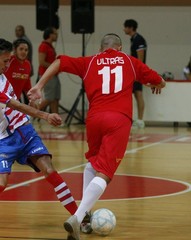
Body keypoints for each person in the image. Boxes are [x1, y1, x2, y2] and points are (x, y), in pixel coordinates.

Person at [27, 33, 166, 240]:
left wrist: (39, 86)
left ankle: (84, 220)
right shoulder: (130, 60)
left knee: (93, 163)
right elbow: (160, 81)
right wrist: (157, 84)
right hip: (118, 119)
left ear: (101, 49)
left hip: (94, 119)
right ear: (119, 48)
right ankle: (78, 216)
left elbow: (58, 62)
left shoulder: (90, 62)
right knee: (106, 173)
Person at [0, 38, 78, 218]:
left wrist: (33, 100)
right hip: (4, 140)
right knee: (2, 183)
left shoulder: (5, 73)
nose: (8, 64)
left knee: (49, 170)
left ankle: (79, 218)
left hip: (24, 131)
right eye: (5, 61)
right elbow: (15, 105)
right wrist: (46, 115)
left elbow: (21, 103)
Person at [123, 19, 147, 128]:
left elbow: (140, 58)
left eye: (125, 27)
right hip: (134, 71)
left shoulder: (138, 39)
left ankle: (140, 120)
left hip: (137, 72)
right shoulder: (133, 39)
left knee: (138, 94)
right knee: (135, 94)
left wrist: (137, 72)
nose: (124, 29)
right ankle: (135, 119)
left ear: (131, 28)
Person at [38, 26, 60, 114]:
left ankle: (56, 119)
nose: (57, 35)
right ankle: (29, 114)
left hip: (54, 75)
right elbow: (42, 62)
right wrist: (54, 66)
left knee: (55, 98)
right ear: (50, 35)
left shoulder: (50, 46)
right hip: (47, 75)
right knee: (49, 98)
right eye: (55, 33)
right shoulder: (43, 46)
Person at [15, 25, 34, 104]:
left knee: (23, 89)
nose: (23, 52)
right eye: (16, 30)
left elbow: (27, 87)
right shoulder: (9, 61)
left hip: (23, 70)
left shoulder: (24, 41)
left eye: (25, 50)